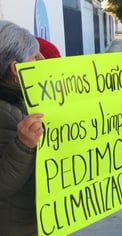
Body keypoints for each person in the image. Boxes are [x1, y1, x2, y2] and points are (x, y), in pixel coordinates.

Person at [0, 20, 44, 236]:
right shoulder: (5, 113)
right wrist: (23, 146)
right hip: (18, 225)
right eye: (35, 57)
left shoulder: (24, 97)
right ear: (16, 68)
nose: (43, 61)